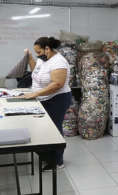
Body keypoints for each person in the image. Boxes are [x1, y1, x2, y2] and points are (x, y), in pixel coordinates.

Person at [22, 37, 72, 171]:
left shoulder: (58, 62)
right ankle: (49, 156)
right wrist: (30, 57)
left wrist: (35, 94)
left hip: (57, 99)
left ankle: (57, 161)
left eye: (38, 52)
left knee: (54, 130)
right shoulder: (43, 59)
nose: (38, 55)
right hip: (44, 99)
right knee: (41, 129)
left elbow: (57, 84)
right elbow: (36, 71)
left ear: (47, 49)